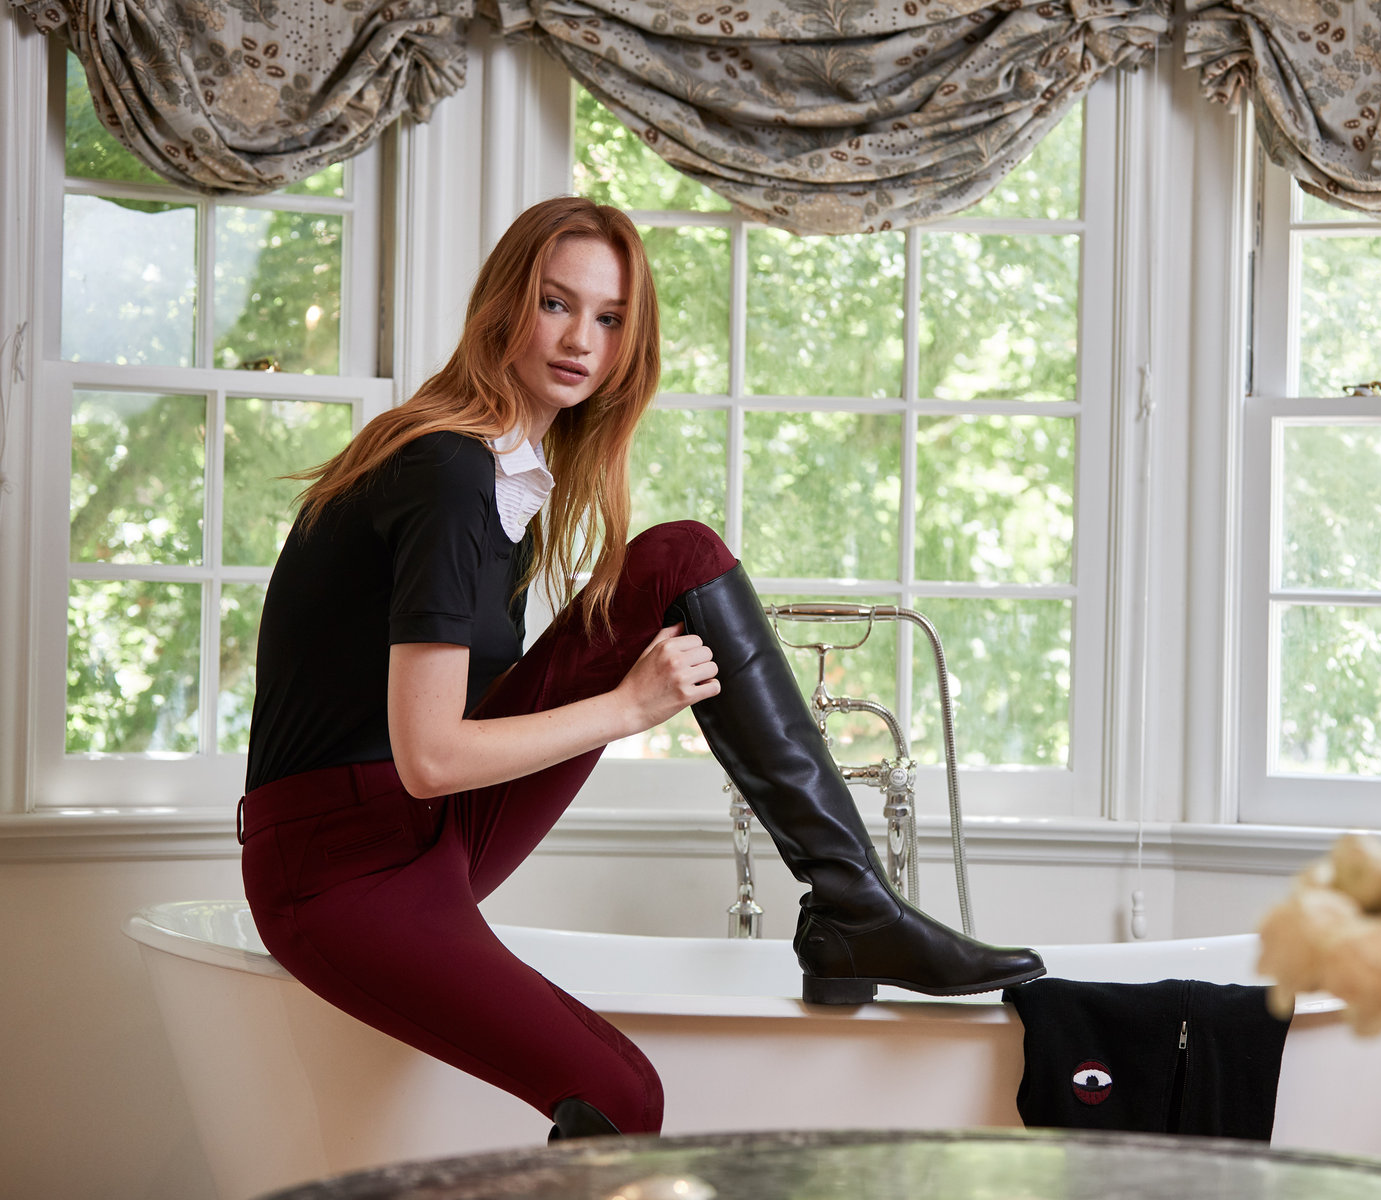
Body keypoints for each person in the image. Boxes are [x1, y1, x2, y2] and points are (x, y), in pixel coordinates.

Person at [237, 196, 1044, 1143]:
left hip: (423, 832)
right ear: (503, 306)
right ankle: (855, 910)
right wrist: (628, 707)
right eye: (555, 303)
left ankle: (852, 903)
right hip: (340, 871)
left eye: (610, 317)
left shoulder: (505, 479)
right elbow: (432, 758)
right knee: (623, 1095)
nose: (581, 339)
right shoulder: (446, 474)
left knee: (678, 558)